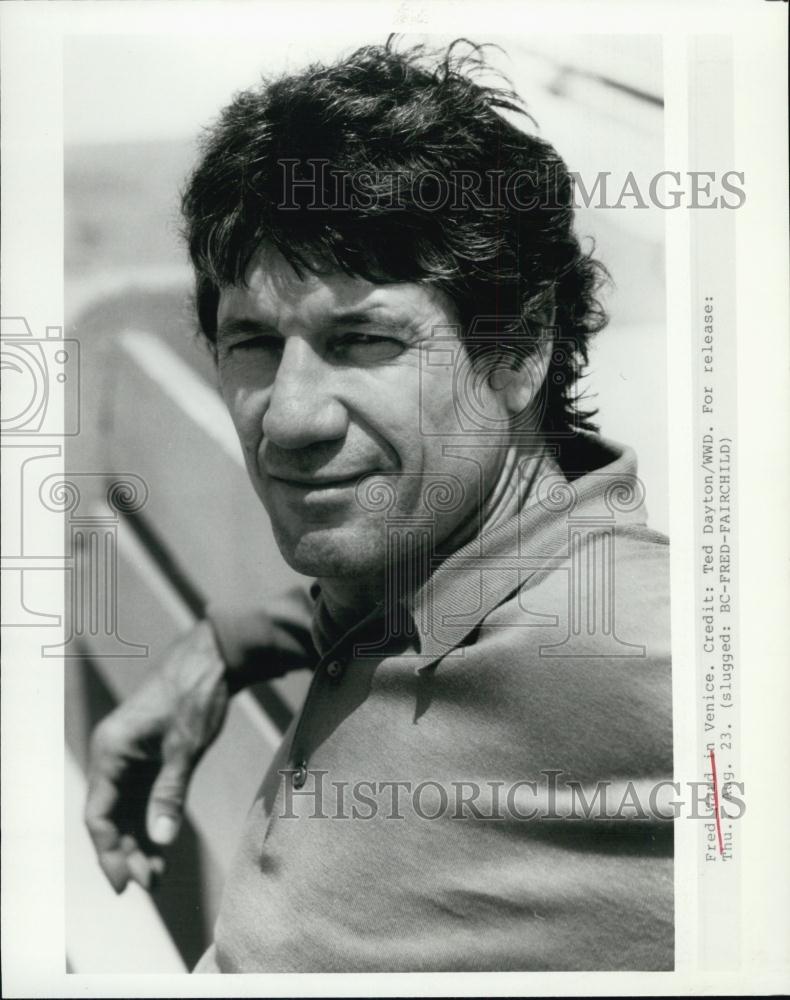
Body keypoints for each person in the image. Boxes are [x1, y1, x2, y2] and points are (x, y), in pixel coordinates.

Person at [85, 38, 672, 971]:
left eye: (363, 339)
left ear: (518, 352)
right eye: (251, 343)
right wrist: (229, 647)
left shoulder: (643, 646)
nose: (289, 417)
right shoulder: (422, 569)